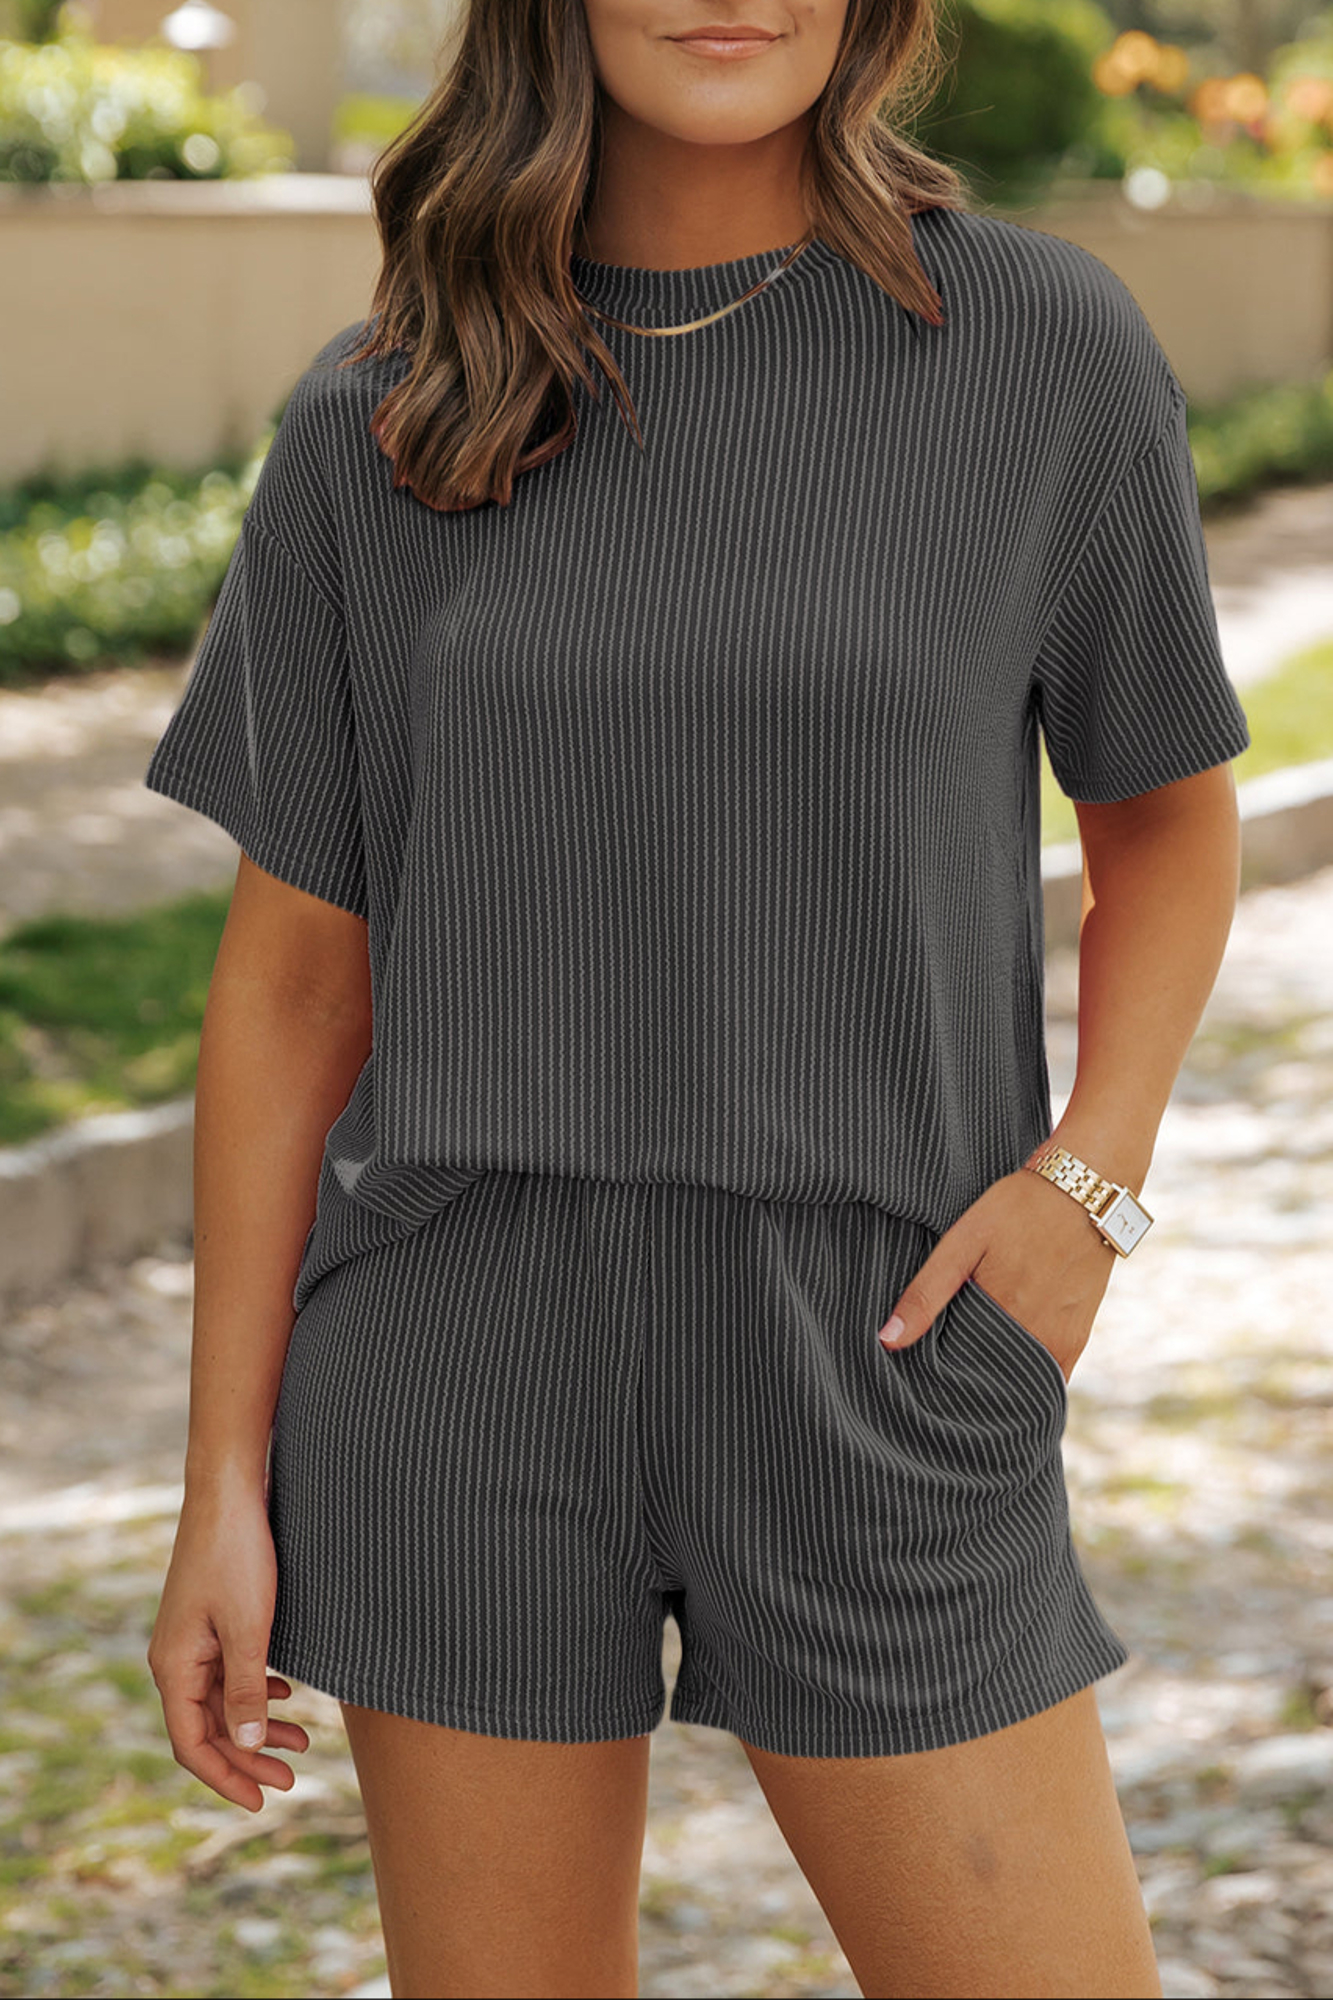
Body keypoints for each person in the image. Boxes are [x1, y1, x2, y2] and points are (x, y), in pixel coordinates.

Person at [143, 0, 1251, 1994]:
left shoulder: (1034, 350)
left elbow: (1165, 819)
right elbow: (294, 984)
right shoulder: (387, 407)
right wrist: (221, 1483)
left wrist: (1087, 1188)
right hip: (461, 1365)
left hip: (881, 1343)